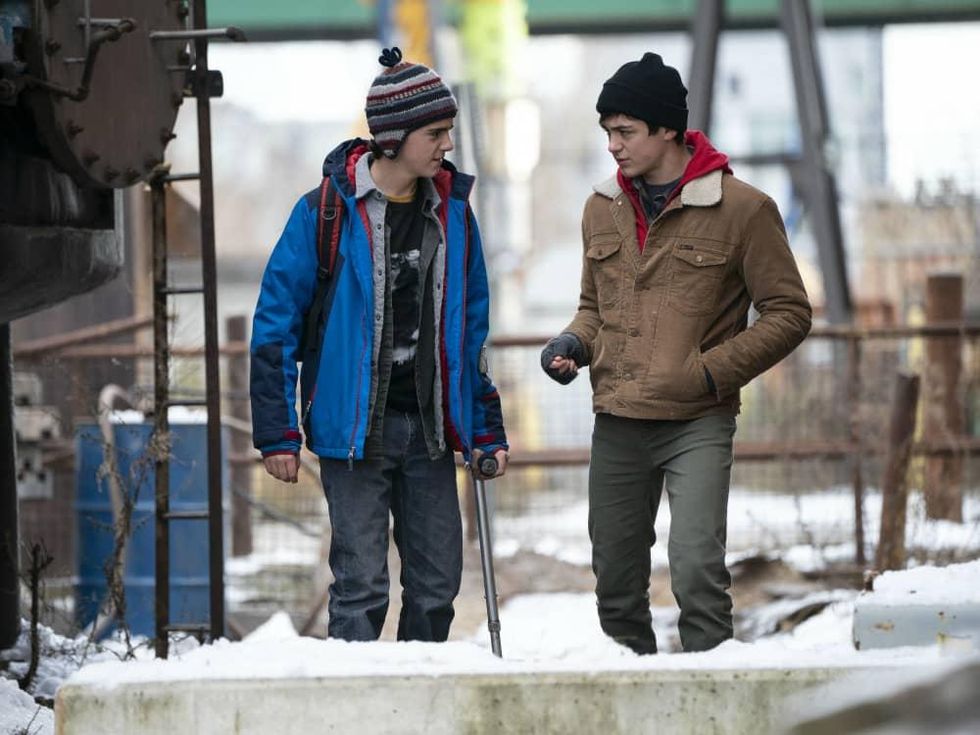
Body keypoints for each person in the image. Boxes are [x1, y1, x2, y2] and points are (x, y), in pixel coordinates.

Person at [541, 52, 811, 654]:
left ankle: (712, 704)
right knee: (614, 583)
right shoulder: (600, 208)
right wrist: (572, 345)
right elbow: (594, 307)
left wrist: (710, 371)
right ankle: (631, 695)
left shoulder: (745, 209)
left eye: (625, 131)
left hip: (698, 420)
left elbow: (791, 313)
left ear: (668, 129)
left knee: (695, 573)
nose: (613, 145)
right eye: (608, 132)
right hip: (618, 419)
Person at [250, 47, 508, 643]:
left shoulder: (454, 214)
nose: (447, 144)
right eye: (436, 132)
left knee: (438, 587)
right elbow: (274, 327)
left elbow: (470, 332)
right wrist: (276, 433)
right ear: (393, 136)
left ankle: (419, 702)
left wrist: (485, 429)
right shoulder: (322, 214)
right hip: (351, 436)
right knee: (362, 588)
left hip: (430, 432)